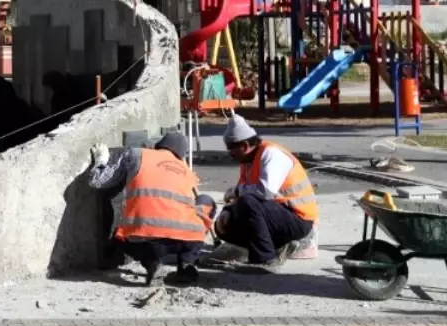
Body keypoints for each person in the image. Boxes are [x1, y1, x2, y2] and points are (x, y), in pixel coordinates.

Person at [88, 131, 215, 285]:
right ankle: (187, 264)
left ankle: (152, 262)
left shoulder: (136, 154)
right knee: (205, 203)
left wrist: (102, 160)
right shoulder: (186, 170)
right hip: (186, 239)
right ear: (181, 155)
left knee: (120, 237)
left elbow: (98, 182)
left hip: (145, 240)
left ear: (158, 146)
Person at [215, 115, 318, 269]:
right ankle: (273, 246)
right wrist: (227, 212)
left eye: (231, 149)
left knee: (248, 202)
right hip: (276, 217)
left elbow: (264, 192)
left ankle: (265, 260)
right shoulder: (247, 162)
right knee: (224, 225)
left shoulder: (271, 154)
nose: (230, 154)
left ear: (244, 145)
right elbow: (241, 197)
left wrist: (236, 192)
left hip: (299, 219)